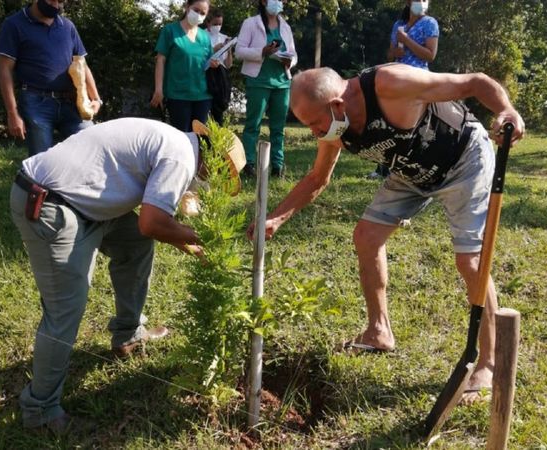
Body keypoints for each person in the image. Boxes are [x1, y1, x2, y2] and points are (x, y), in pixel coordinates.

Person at [247, 65, 525, 405]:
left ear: (336, 105)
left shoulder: (392, 84)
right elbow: (317, 179)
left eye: (314, 124)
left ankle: (489, 363)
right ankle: (379, 332)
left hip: (463, 159)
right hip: (411, 173)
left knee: (470, 261)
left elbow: (476, 81)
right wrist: (276, 218)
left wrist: (506, 110)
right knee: (366, 236)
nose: (315, 134)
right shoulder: (336, 125)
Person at [10, 117, 246, 433]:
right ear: (211, 162)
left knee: (135, 243)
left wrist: (193, 250)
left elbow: (149, 226)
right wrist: (207, 239)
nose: (211, 184)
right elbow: (153, 222)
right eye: (217, 177)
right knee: (65, 309)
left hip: (86, 204)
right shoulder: (180, 158)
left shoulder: (174, 142)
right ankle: (39, 410)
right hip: (51, 203)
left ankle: (127, 334)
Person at [0, 0, 102, 157]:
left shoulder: (68, 27)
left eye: (60, 1)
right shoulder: (14, 24)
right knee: (42, 161)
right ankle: (37, 182)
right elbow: (4, 70)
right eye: (52, 0)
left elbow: (82, 64)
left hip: (72, 103)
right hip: (36, 103)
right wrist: (12, 113)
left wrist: (96, 99)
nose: (56, 5)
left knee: (91, 148)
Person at [367, 0, 440, 179]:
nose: (422, 3)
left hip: (416, 80)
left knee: (408, 125)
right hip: (395, 77)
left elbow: (430, 55)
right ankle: (382, 168)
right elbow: (390, 53)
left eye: (425, 0)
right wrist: (394, 53)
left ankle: (404, 169)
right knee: (387, 123)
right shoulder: (399, 25)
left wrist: (406, 40)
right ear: (409, 2)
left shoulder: (430, 23)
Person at [235, 0, 297, 178]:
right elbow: (240, 51)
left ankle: (277, 166)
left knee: (278, 127)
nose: (278, 2)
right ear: (263, 1)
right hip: (258, 81)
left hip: (282, 82)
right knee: (253, 124)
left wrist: (289, 61)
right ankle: (249, 164)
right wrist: (262, 51)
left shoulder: (285, 26)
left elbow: (294, 54)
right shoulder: (250, 23)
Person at [151, 0, 218, 132]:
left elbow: (207, 61)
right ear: (187, 7)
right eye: (196, 10)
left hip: (203, 96)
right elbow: (160, 60)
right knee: (181, 138)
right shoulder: (169, 31)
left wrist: (213, 64)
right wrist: (158, 89)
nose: (199, 14)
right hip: (178, 95)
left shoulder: (205, 36)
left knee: (200, 141)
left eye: (203, 13)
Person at [205, 9, 234, 125]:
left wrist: (229, 48)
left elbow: (228, 64)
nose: (217, 27)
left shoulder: (224, 37)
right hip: (206, 75)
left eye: (220, 24)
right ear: (208, 23)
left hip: (220, 78)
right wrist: (214, 49)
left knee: (218, 113)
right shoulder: (201, 35)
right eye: (215, 24)